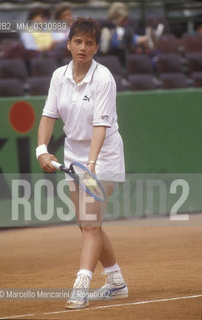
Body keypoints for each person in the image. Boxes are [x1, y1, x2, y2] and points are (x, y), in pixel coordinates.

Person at [36, 17, 128, 309]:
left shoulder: (104, 79)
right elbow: (49, 116)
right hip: (74, 153)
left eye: (89, 43)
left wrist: (92, 162)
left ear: (96, 47)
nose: (83, 48)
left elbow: (101, 126)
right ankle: (115, 280)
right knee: (87, 223)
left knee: (90, 224)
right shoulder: (58, 76)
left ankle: (81, 284)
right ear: (69, 44)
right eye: (78, 42)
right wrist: (42, 150)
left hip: (104, 154)